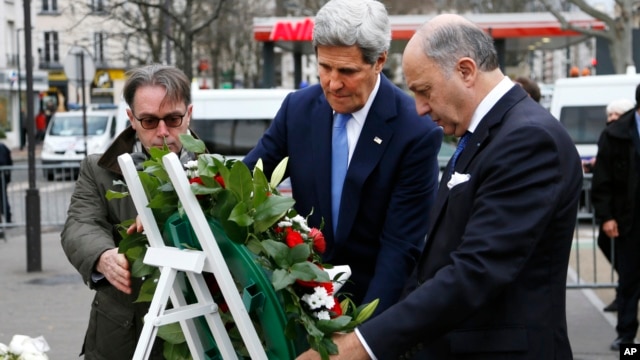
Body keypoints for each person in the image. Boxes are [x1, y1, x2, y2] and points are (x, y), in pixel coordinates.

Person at [298, 14, 582, 360]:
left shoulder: (527, 139)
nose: (419, 108)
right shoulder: (484, 135)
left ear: (465, 71)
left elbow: (475, 272)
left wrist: (362, 344)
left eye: (424, 90)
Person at [243, 0, 443, 315]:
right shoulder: (297, 110)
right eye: (325, 67)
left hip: (374, 306)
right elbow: (245, 182)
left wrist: (361, 336)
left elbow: (400, 249)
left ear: (379, 61)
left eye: (347, 71)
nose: (333, 83)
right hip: (299, 305)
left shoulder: (415, 131)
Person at [61, 64, 201, 359]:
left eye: (173, 119)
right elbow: (80, 224)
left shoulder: (216, 175)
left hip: (195, 335)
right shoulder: (98, 169)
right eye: (149, 121)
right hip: (121, 336)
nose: (163, 132)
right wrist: (102, 255)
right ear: (131, 119)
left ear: (188, 114)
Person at [591, 85, 640, 350]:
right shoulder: (615, 134)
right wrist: (606, 216)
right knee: (629, 280)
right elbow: (602, 179)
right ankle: (627, 336)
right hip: (629, 220)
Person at [0, 142, 12, 223]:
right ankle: (8, 218)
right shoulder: (3, 147)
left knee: (3, 197)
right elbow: (10, 162)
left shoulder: (3, 147)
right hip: (3, 176)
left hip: (2, 176)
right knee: (3, 197)